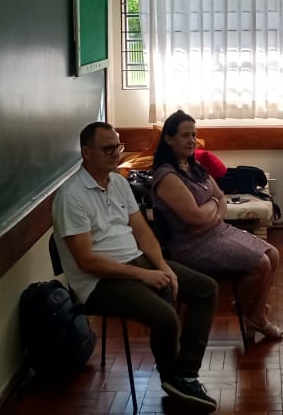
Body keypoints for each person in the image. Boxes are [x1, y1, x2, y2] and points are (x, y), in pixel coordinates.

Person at [51, 121, 219, 411]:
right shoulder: (71, 197)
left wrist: (162, 266)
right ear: (86, 153)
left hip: (135, 262)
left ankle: (185, 374)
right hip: (98, 282)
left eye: (117, 147)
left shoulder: (118, 182)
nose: (115, 154)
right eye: (107, 149)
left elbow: (142, 231)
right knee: (166, 317)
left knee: (206, 289)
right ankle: (171, 377)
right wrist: (144, 275)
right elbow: (87, 261)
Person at [151, 110, 283, 341]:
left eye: (194, 135)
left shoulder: (194, 167)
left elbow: (221, 197)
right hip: (191, 245)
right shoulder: (167, 177)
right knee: (261, 263)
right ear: (169, 139)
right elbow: (195, 217)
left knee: (273, 254)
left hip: (216, 231)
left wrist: (212, 212)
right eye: (185, 135)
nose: (192, 140)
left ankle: (254, 314)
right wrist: (212, 207)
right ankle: (250, 311)